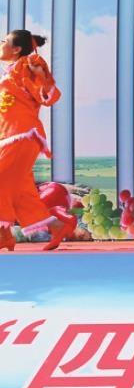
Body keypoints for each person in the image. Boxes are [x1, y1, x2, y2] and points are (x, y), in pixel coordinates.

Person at [0, 30, 72, 251]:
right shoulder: (10, 71)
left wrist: (41, 75)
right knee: (21, 192)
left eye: (4, 41)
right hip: (10, 136)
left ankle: (3, 234)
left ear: (16, 49)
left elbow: (48, 95)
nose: (1, 44)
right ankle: (55, 226)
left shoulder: (26, 65)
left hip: (22, 135)